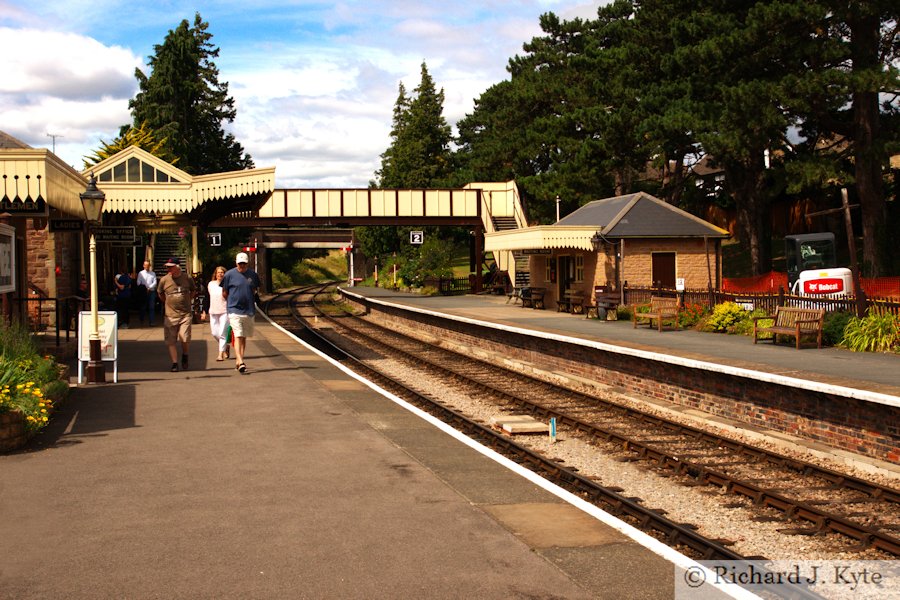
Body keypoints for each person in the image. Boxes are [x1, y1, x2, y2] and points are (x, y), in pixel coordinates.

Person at [220, 252, 260, 374]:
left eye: (243, 263)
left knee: (243, 336)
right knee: (237, 334)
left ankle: (239, 360)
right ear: (236, 263)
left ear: (247, 263)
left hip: (248, 310)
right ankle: (241, 361)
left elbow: (254, 290)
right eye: (239, 263)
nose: (241, 266)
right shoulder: (229, 275)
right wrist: (232, 301)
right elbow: (224, 292)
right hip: (234, 309)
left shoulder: (252, 275)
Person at [157, 256, 196, 372]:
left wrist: (188, 300)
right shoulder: (164, 280)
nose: (168, 270)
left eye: (171, 267)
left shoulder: (187, 278)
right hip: (170, 315)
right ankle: (174, 363)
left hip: (185, 314)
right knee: (171, 340)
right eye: (167, 268)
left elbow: (193, 290)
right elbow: (160, 293)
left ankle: (185, 354)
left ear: (178, 267)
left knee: (184, 338)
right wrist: (167, 302)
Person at [202, 266, 230, 361]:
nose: (220, 274)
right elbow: (207, 298)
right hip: (213, 311)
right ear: (215, 274)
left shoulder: (228, 284)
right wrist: (204, 311)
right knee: (214, 333)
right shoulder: (211, 284)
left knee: (222, 333)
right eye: (218, 272)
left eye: (222, 272)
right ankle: (225, 346)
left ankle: (220, 354)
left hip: (225, 311)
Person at [136, 260, 158, 326]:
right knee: (143, 306)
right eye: (145, 265)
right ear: (143, 265)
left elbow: (155, 282)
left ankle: (152, 322)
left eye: (148, 265)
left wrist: (149, 288)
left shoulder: (153, 273)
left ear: (149, 266)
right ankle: (141, 320)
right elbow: (138, 282)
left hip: (151, 292)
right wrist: (144, 287)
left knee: (151, 307)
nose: (146, 266)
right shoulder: (141, 273)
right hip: (143, 292)